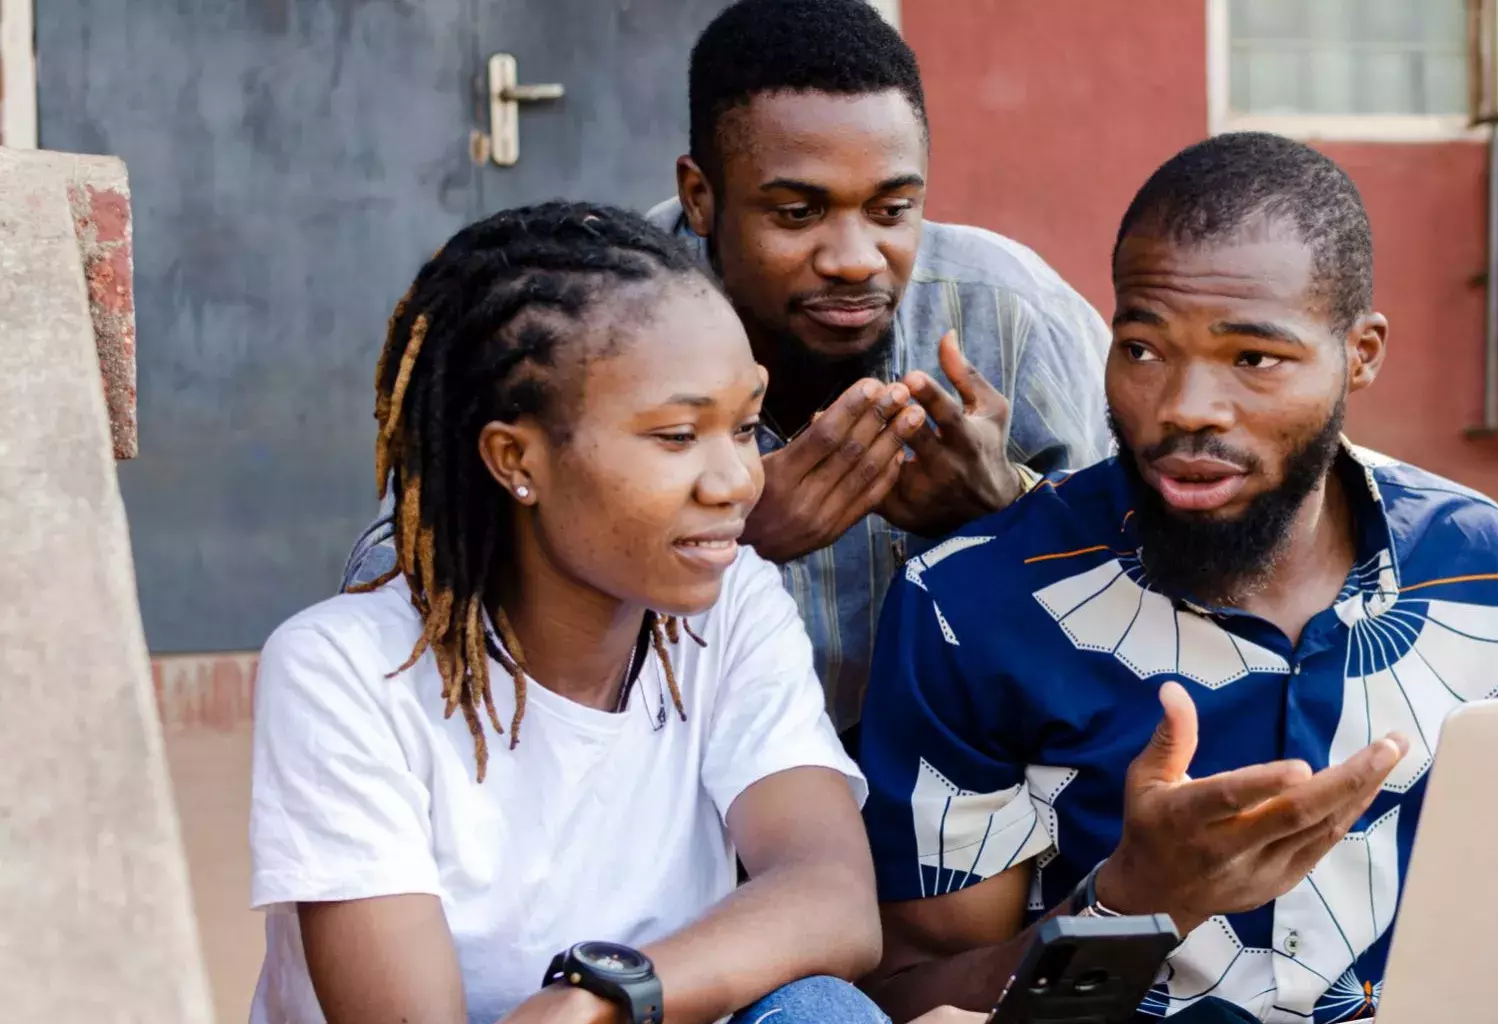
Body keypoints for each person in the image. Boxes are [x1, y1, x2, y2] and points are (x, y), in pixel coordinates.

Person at [852, 134, 1498, 1024]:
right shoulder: (971, 606)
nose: (1185, 407)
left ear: (1358, 355)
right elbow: (908, 993)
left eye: (1254, 357)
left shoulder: (1480, 560)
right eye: (1144, 348)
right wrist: (1131, 901)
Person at [250, 202, 969, 1024]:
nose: (736, 480)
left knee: (820, 1012)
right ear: (516, 458)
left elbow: (833, 896)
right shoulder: (342, 671)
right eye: (675, 435)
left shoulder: (727, 606)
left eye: (742, 428)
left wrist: (606, 997)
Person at [342, 0, 1110, 733]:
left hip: (961, 794)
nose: (853, 260)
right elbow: (394, 582)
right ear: (700, 197)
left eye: (891, 209)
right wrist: (723, 533)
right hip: (668, 799)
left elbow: (1160, 569)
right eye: (797, 213)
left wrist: (1008, 506)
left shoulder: (1010, 313)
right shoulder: (586, 323)